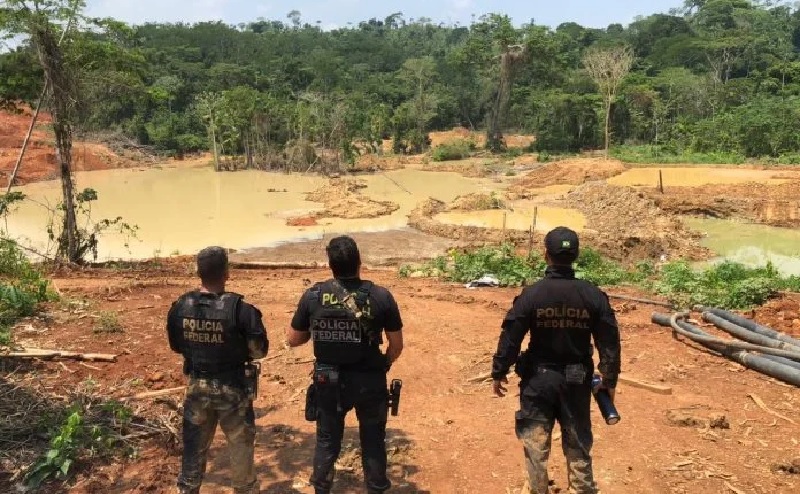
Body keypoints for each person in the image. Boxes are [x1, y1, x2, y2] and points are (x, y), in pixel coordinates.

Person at [491, 227, 621, 494]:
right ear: (576, 255)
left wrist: (499, 370)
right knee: (578, 443)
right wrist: (608, 380)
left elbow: (511, 337)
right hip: (577, 381)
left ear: (545, 255)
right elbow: (609, 342)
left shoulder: (533, 294)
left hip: (538, 381)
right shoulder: (593, 295)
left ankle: (538, 489)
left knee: (535, 443)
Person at [286, 235, 404, 494]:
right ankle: (375, 488)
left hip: (329, 381)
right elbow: (396, 345)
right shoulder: (381, 296)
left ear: (331, 265)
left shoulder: (314, 295)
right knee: (373, 440)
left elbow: (293, 339)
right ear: (359, 262)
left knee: (327, 441)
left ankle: (321, 489)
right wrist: (384, 363)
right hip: (370, 379)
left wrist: (318, 330)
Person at [167, 246, 269, 494]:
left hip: (197, 388)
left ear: (198, 272)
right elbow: (259, 351)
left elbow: (176, 346)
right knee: (241, 448)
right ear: (226, 273)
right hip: (233, 390)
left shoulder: (181, 306)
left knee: (193, 450)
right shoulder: (241, 310)